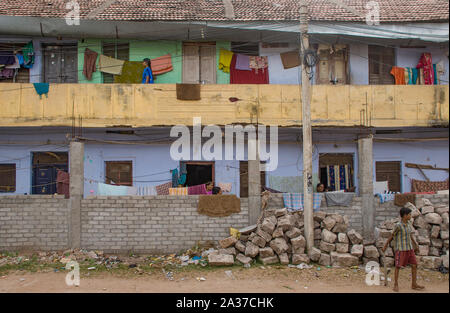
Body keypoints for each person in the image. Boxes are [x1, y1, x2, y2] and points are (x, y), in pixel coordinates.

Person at [382, 207, 424, 292]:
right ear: (405, 215)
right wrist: (385, 245)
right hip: (401, 249)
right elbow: (392, 235)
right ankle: (396, 284)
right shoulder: (398, 225)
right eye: (409, 214)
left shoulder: (408, 223)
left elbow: (410, 235)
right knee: (398, 266)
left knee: (414, 265)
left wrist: (415, 244)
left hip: (409, 248)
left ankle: (414, 284)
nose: (410, 216)